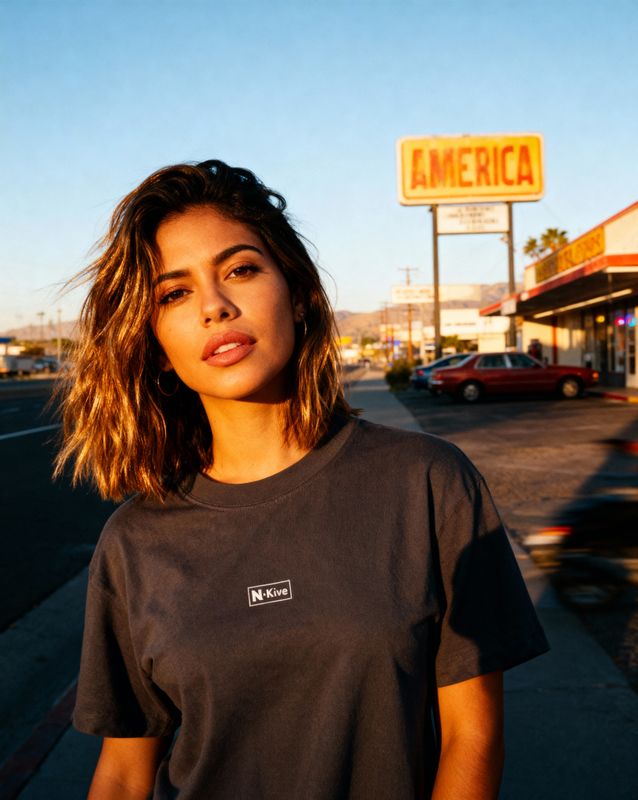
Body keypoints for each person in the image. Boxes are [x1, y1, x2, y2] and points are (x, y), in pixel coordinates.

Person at [58, 160, 548, 800]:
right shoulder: (133, 543)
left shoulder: (427, 482)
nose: (215, 306)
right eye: (173, 293)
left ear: (296, 291)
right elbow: (124, 773)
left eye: (240, 269)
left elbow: (472, 739)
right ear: (153, 341)